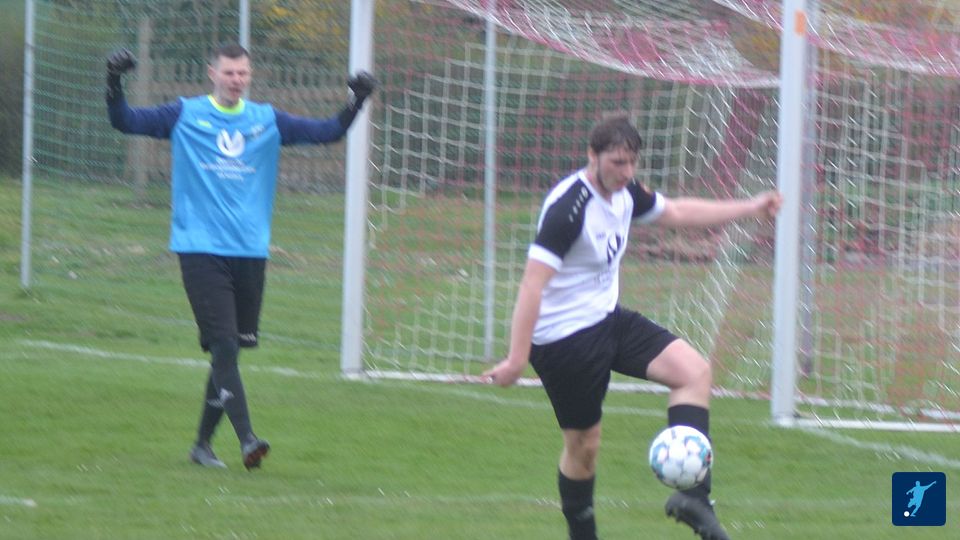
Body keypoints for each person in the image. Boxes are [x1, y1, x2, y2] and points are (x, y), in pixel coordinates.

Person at [483, 114, 781, 539]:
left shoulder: (625, 194)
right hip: (565, 340)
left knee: (694, 373)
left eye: (631, 163)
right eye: (617, 162)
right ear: (593, 156)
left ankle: (694, 499)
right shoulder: (569, 209)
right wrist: (517, 359)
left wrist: (750, 207)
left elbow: (676, 211)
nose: (625, 172)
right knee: (584, 448)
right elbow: (532, 283)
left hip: (608, 320)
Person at [105, 43, 376, 470]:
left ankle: (201, 446)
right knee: (225, 345)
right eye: (229, 72)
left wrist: (356, 100)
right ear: (212, 73)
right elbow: (124, 121)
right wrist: (113, 80)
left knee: (227, 353)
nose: (236, 79)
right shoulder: (184, 114)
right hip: (200, 249)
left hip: (250, 252)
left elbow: (328, 132)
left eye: (242, 73)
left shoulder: (266, 120)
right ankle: (248, 439)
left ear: (250, 76)